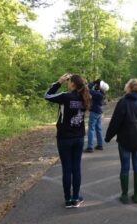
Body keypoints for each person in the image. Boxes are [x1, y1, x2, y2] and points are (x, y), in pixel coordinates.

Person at [44, 73, 91, 208]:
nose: (67, 83)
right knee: (76, 169)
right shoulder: (85, 97)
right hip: (79, 138)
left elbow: (47, 95)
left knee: (67, 169)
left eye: (68, 81)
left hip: (64, 138)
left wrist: (58, 82)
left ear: (72, 84)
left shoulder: (65, 96)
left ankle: (68, 199)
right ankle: (75, 198)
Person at [105, 79, 137, 204]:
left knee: (125, 167)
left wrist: (108, 137)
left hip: (124, 139)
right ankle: (136, 195)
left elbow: (115, 122)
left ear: (128, 87)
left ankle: (124, 195)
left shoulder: (123, 102)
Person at [85, 79, 109, 152]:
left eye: (98, 85)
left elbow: (87, 89)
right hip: (99, 112)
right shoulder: (101, 94)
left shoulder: (97, 94)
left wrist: (93, 82)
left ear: (100, 87)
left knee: (91, 128)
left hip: (94, 112)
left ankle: (90, 147)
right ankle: (100, 145)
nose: (96, 85)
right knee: (98, 128)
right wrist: (95, 83)